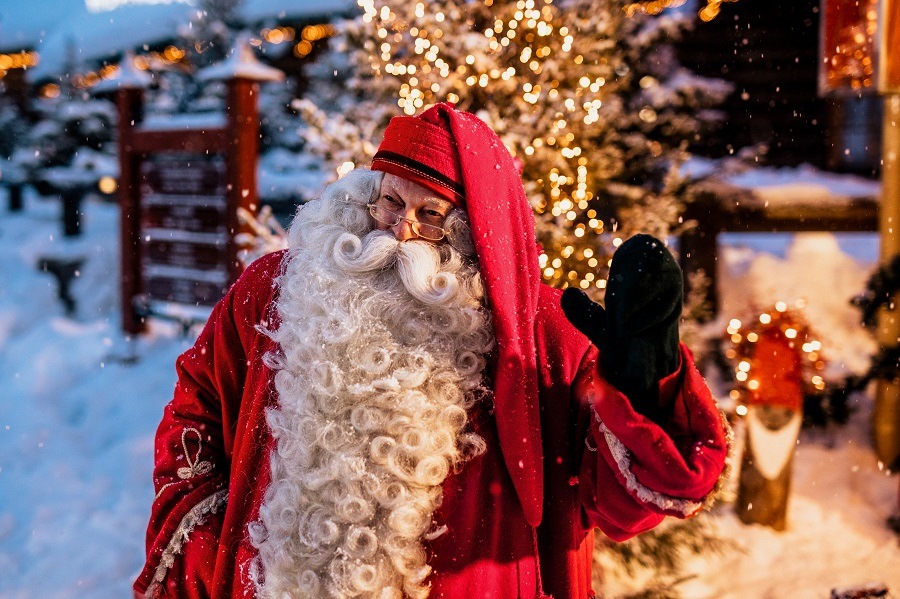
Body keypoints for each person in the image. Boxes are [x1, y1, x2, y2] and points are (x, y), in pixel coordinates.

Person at [133, 103, 729, 599]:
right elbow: (197, 407)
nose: (398, 232)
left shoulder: (540, 335)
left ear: (473, 232)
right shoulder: (275, 292)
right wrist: (209, 536)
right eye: (390, 202)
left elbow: (627, 504)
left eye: (431, 216)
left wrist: (642, 382)